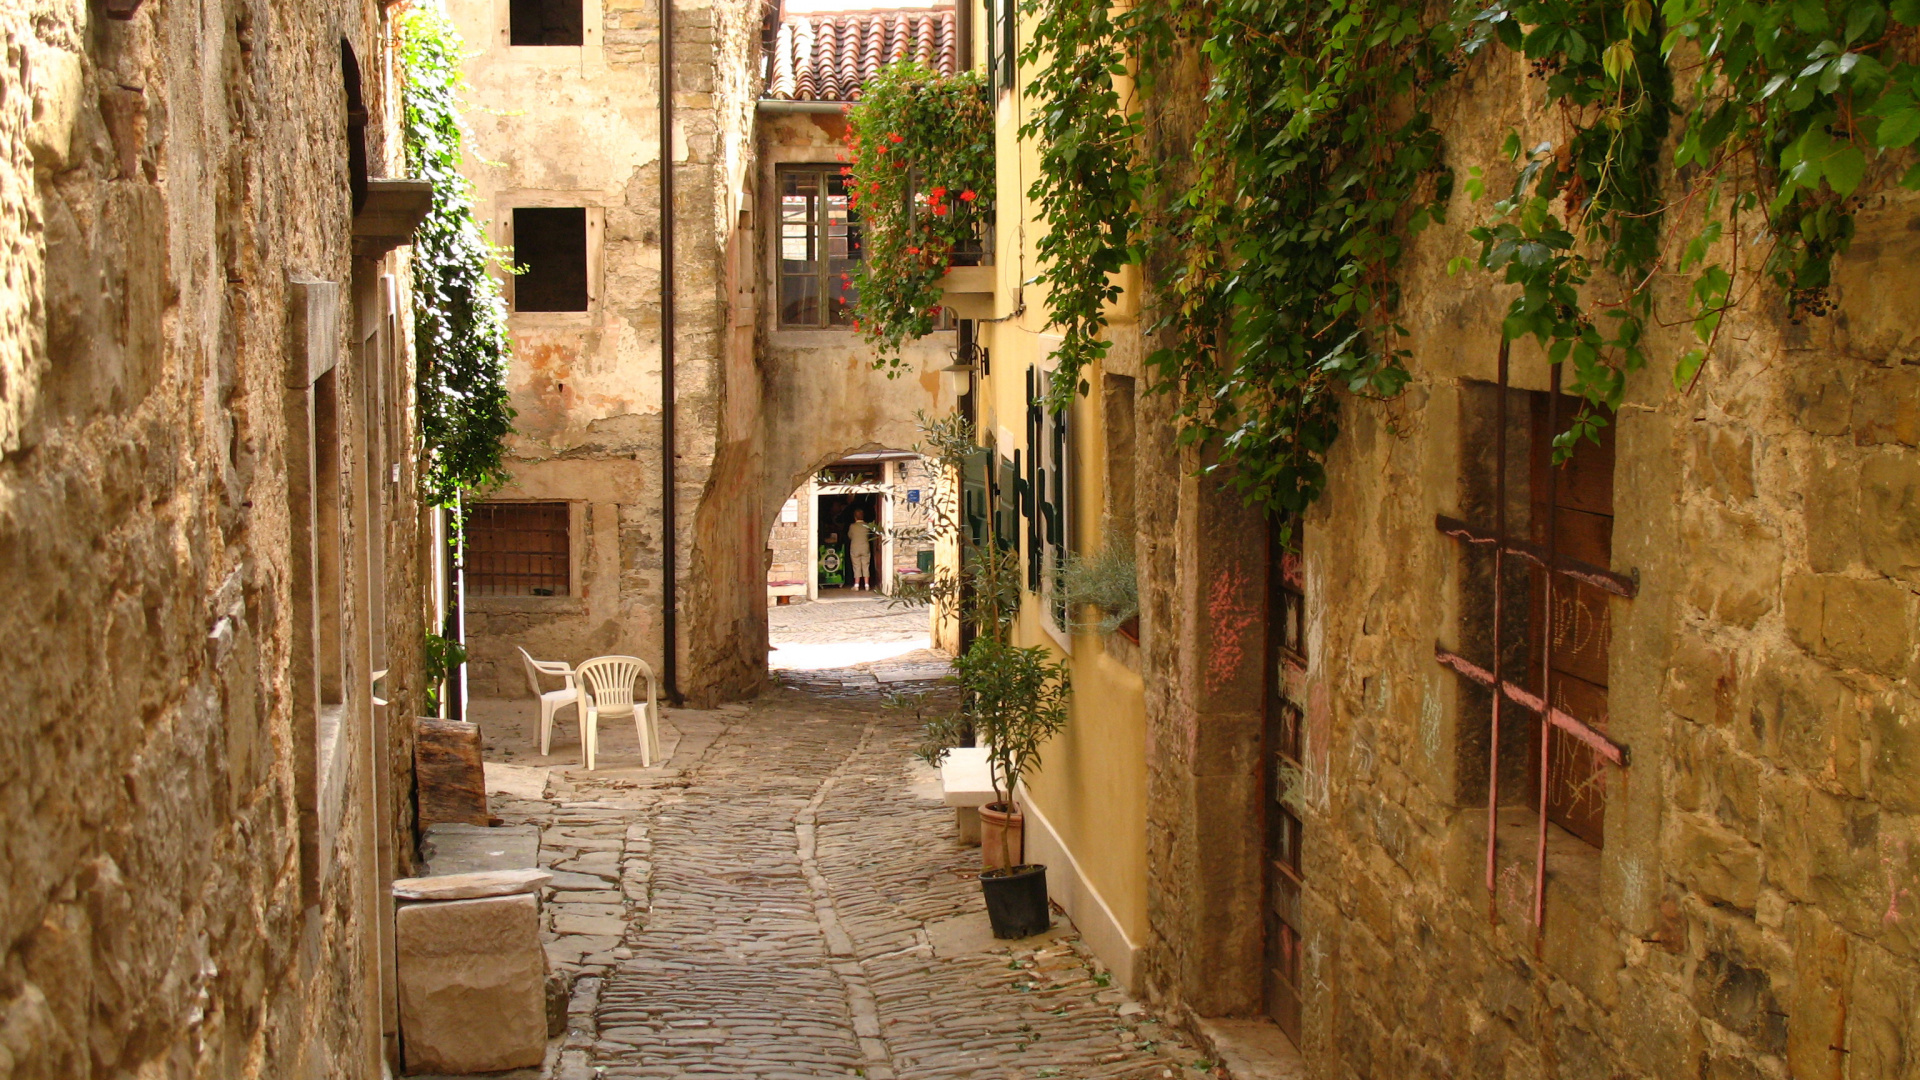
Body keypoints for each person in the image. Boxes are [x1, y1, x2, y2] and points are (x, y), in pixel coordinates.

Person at [848, 509, 875, 591]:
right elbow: (870, 536)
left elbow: (850, 536)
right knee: (866, 565)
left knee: (856, 566)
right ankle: (867, 585)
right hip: (865, 547)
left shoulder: (852, 526)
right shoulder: (867, 526)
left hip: (855, 548)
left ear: (855, 517)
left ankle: (856, 585)